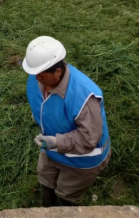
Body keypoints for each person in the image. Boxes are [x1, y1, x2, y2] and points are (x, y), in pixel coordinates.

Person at [23, 36, 111, 207]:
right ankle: (46, 210)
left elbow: (88, 139)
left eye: (41, 75)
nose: (36, 79)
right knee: (45, 179)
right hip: (52, 150)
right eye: (35, 74)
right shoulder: (37, 78)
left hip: (82, 159)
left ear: (58, 71)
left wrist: (56, 142)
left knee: (67, 193)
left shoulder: (84, 97)